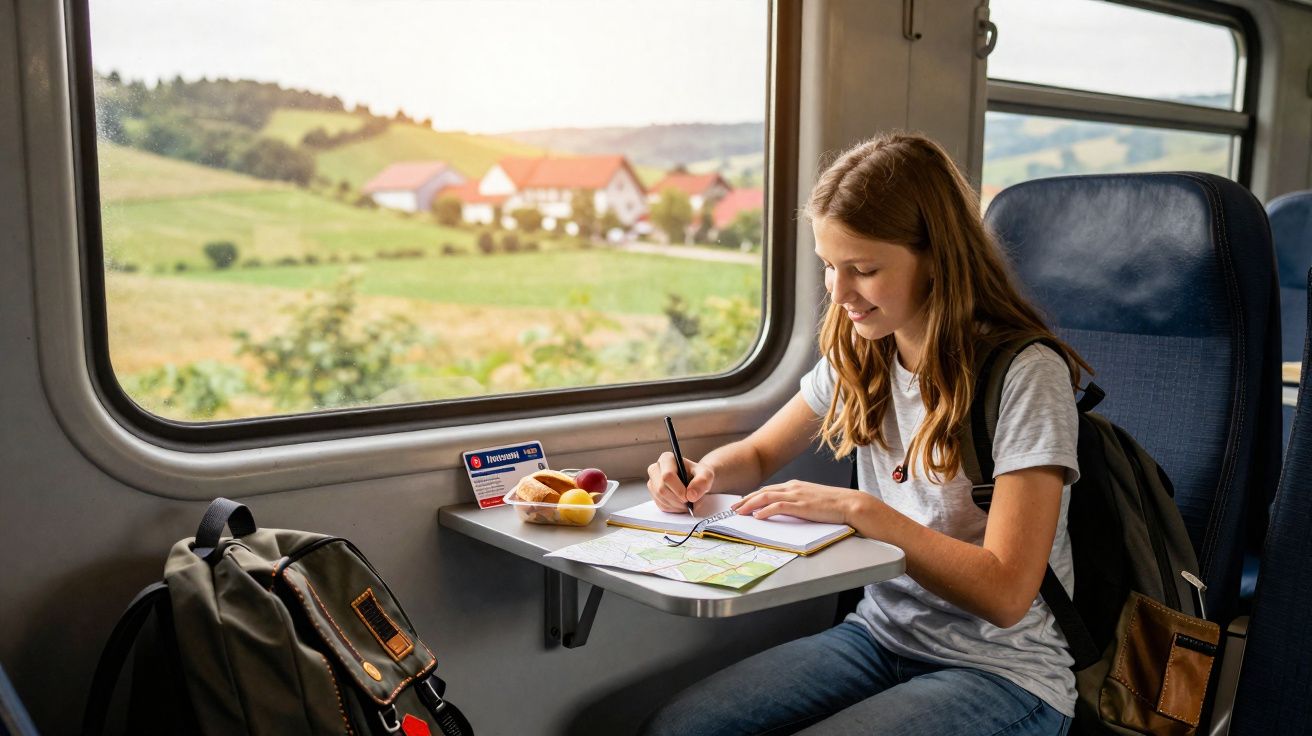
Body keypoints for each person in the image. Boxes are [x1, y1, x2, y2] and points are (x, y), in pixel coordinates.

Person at [639, 132, 1092, 736]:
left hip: (1003, 670)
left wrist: (862, 511)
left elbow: (1008, 592)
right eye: (830, 267)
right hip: (880, 635)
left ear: (937, 257)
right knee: (678, 729)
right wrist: (704, 473)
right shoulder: (865, 349)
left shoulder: (1024, 374)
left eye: (864, 269)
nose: (840, 293)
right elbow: (758, 452)